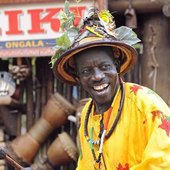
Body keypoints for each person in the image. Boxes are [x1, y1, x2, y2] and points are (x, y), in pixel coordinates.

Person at [51, 6, 170, 170]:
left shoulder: (145, 104)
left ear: (117, 66)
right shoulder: (87, 115)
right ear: (78, 77)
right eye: (86, 71)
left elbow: (163, 163)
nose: (97, 76)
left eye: (104, 66)